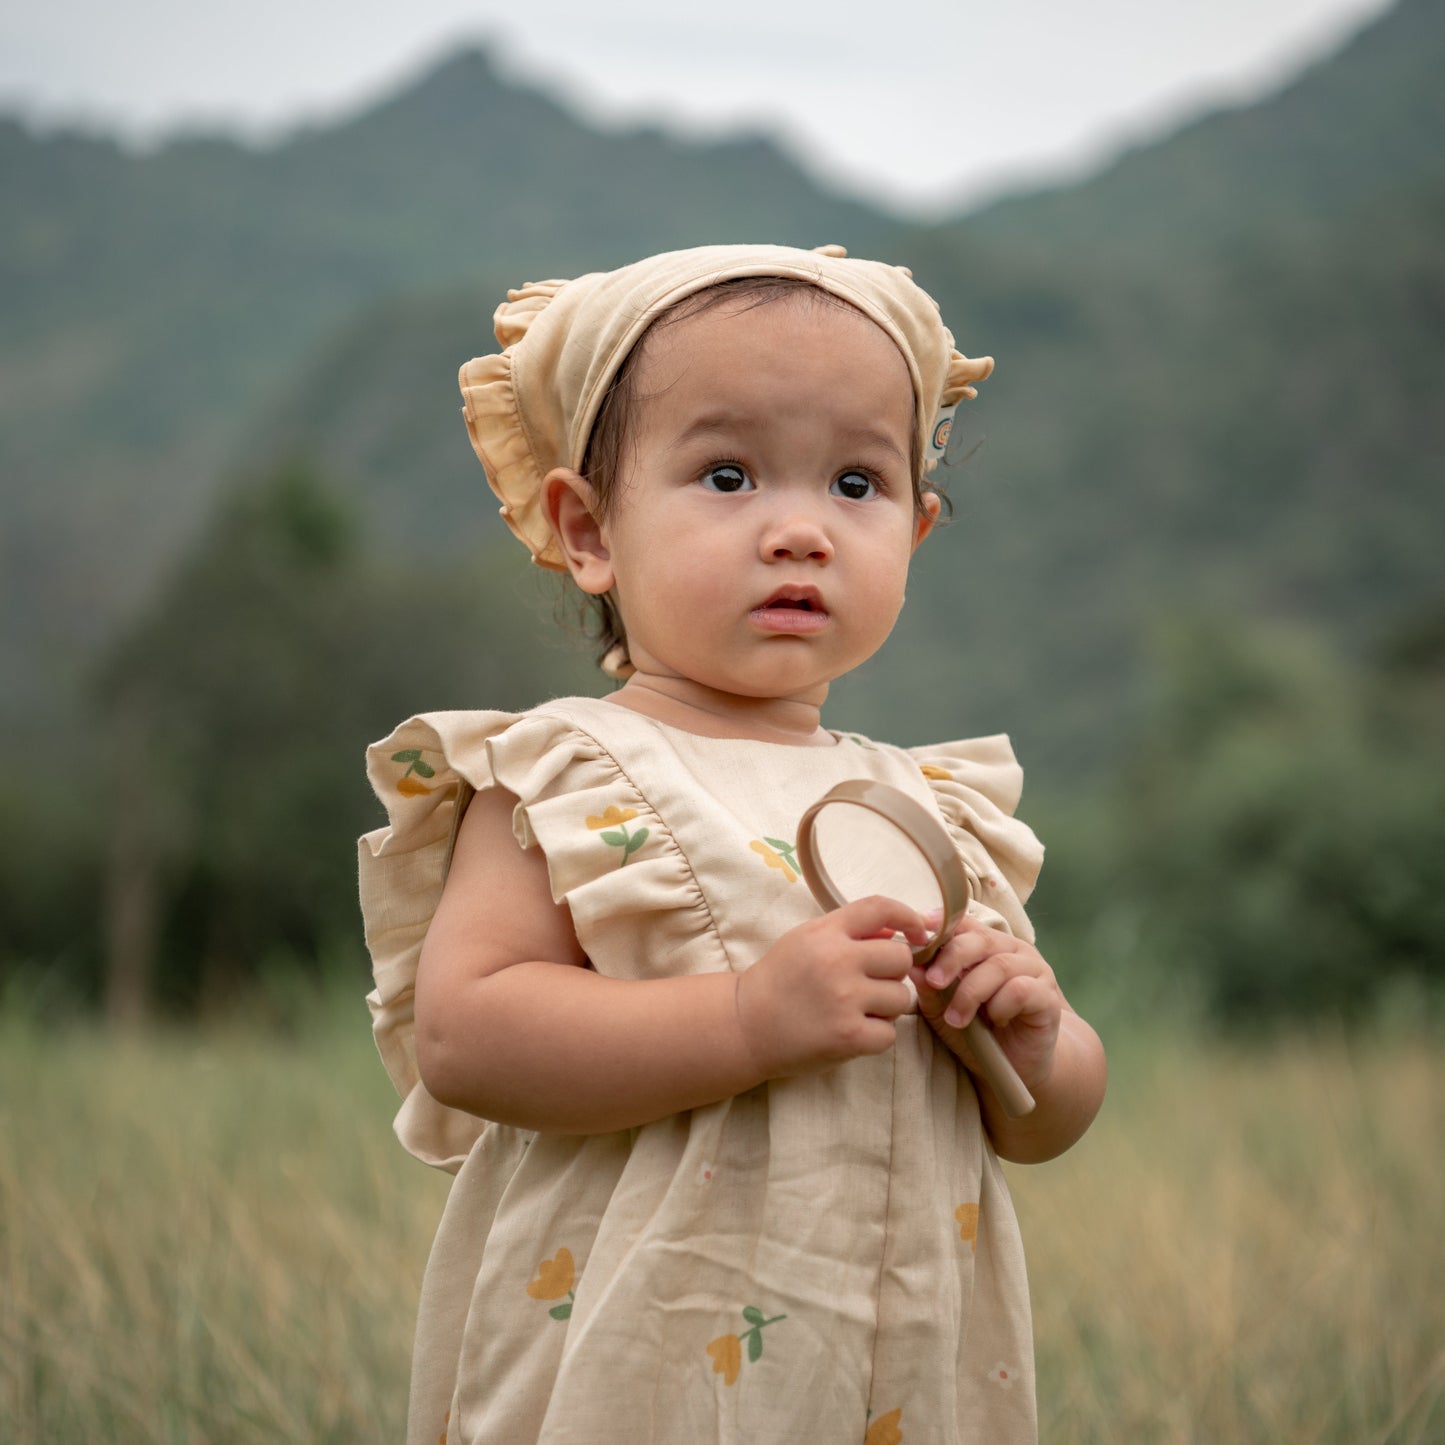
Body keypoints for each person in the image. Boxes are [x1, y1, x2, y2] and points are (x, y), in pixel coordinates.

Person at [359, 243, 1107, 1445]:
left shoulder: (923, 804)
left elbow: (1041, 1120)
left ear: (913, 533)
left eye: (854, 485)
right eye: (726, 474)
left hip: (895, 1374)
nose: (800, 530)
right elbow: (464, 1033)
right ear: (587, 528)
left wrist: (1034, 1033)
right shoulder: (565, 776)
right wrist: (746, 1020)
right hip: (636, 1366)